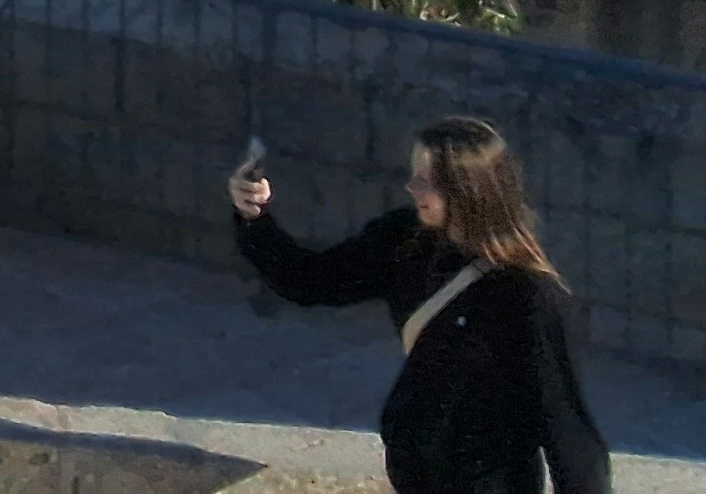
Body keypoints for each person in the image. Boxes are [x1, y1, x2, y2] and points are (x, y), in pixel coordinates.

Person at [231, 116, 613, 494]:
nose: (411, 186)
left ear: (468, 190)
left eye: (427, 180)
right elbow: (311, 281)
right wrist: (254, 219)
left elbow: (570, 433)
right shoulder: (403, 243)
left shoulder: (527, 295)